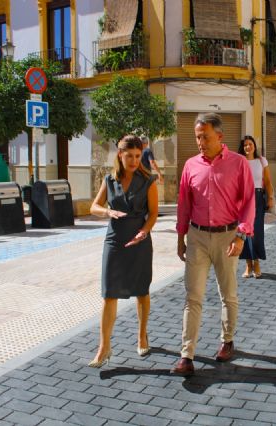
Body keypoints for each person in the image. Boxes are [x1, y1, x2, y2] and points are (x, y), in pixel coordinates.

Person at [172, 113, 255, 376]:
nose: (200, 142)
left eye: (204, 137)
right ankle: (186, 355)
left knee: (227, 294)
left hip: (227, 236)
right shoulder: (190, 166)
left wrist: (241, 236)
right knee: (192, 297)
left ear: (219, 136)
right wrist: (180, 236)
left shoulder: (239, 164)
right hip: (197, 236)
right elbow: (184, 203)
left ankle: (227, 340)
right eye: (197, 137)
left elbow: (249, 202)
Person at [87, 135, 159, 368]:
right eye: (130, 156)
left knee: (141, 290)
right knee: (109, 293)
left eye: (138, 156)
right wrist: (108, 212)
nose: (134, 160)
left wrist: (144, 232)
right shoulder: (110, 179)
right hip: (114, 241)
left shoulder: (148, 180)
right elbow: (94, 207)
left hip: (139, 241)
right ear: (120, 154)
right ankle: (104, 347)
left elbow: (154, 214)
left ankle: (142, 335)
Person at [238, 135, 274, 279]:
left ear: (254, 145)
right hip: (243, 199)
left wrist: (270, 198)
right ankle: (248, 264)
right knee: (244, 231)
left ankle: (257, 262)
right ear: (243, 147)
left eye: (250, 144)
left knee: (257, 231)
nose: (248, 146)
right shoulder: (239, 161)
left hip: (258, 197)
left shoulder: (261, 160)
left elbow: (268, 181)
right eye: (245, 144)